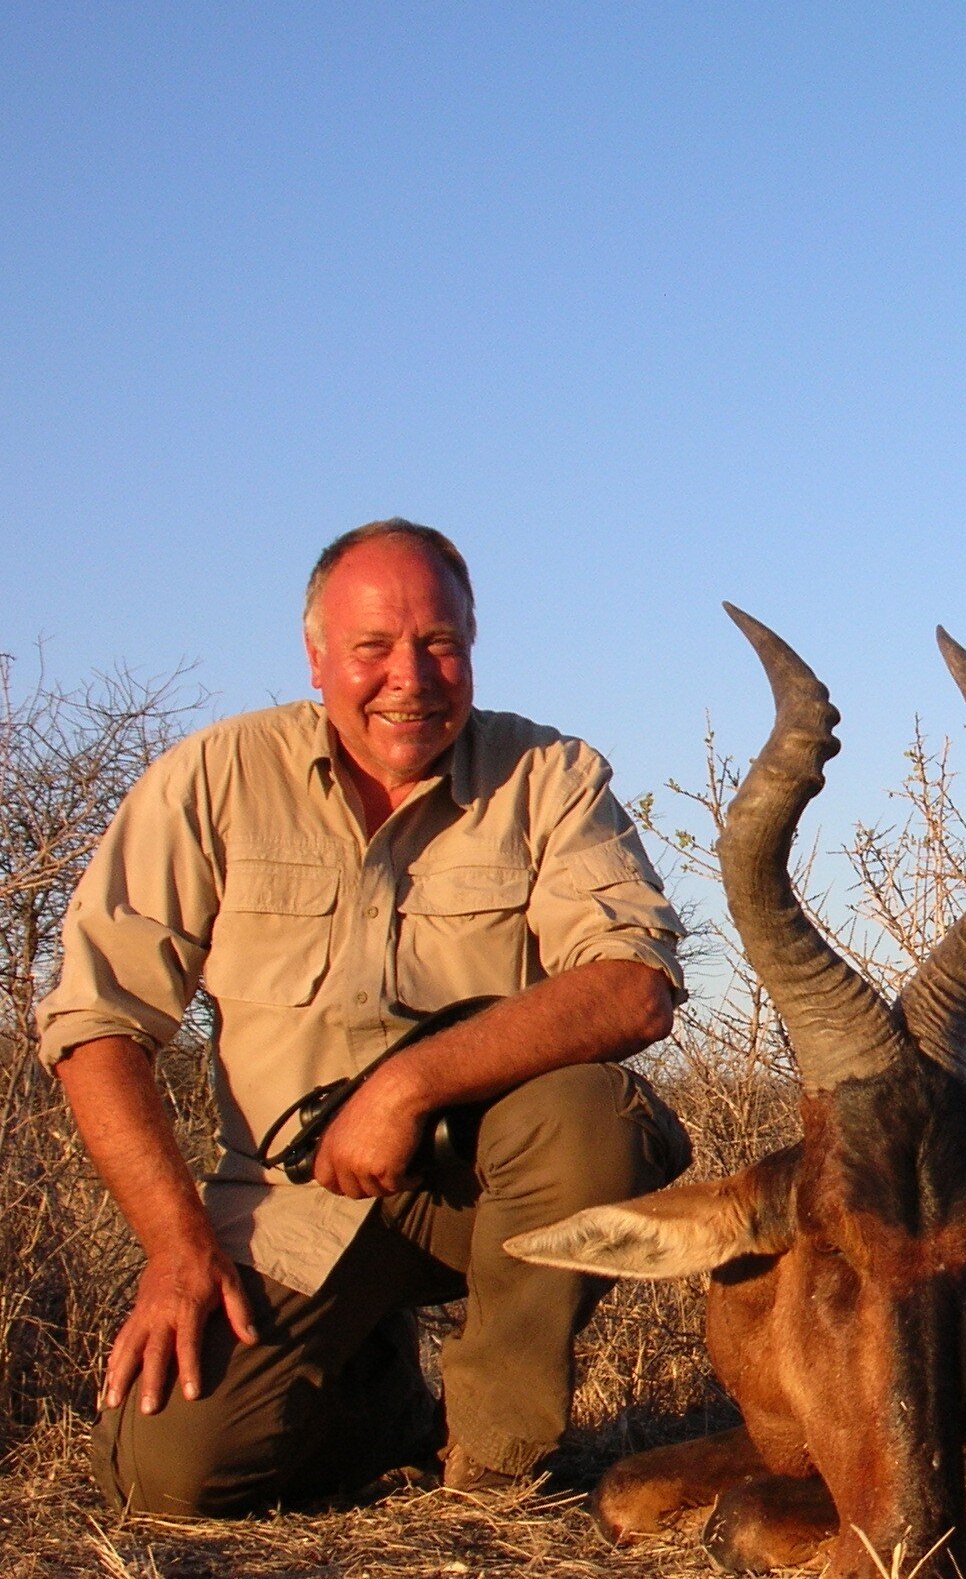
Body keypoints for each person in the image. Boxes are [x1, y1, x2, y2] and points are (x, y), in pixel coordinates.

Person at [36, 519, 690, 1515]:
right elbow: (95, 1025)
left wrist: (407, 1085)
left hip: (483, 1184)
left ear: (472, 641)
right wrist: (176, 1244)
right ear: (316, 658)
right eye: (372, 648)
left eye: (439, 643)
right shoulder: (211, 777)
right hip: (289, 1200)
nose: (411, 677)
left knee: (592, 1118)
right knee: (163, 1474)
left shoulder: (550, 774)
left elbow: (632, 983)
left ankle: (494, 1457)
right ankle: (378, 1400)